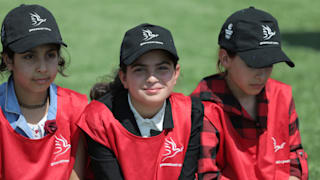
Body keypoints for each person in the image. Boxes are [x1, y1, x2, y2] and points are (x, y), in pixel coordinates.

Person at [191, 7, 308, 180]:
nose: (262, 74)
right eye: (253, 64)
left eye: (269, 63)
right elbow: (205, 174)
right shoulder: (203, 108)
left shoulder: (281, 95)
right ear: (225, 58)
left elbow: (294, 155)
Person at [78, 23, 203, 180]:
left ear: (175, 73)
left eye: (162, 68)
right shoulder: (99, 119)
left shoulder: (191, 113)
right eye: (140, 69)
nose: (151, 78)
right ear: (123, 77)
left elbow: (187, 176)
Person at [0, 4, 88, 180]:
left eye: (50, 55)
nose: (42, 68)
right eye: (29, 56)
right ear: (8, 60)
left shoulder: (77, 108)